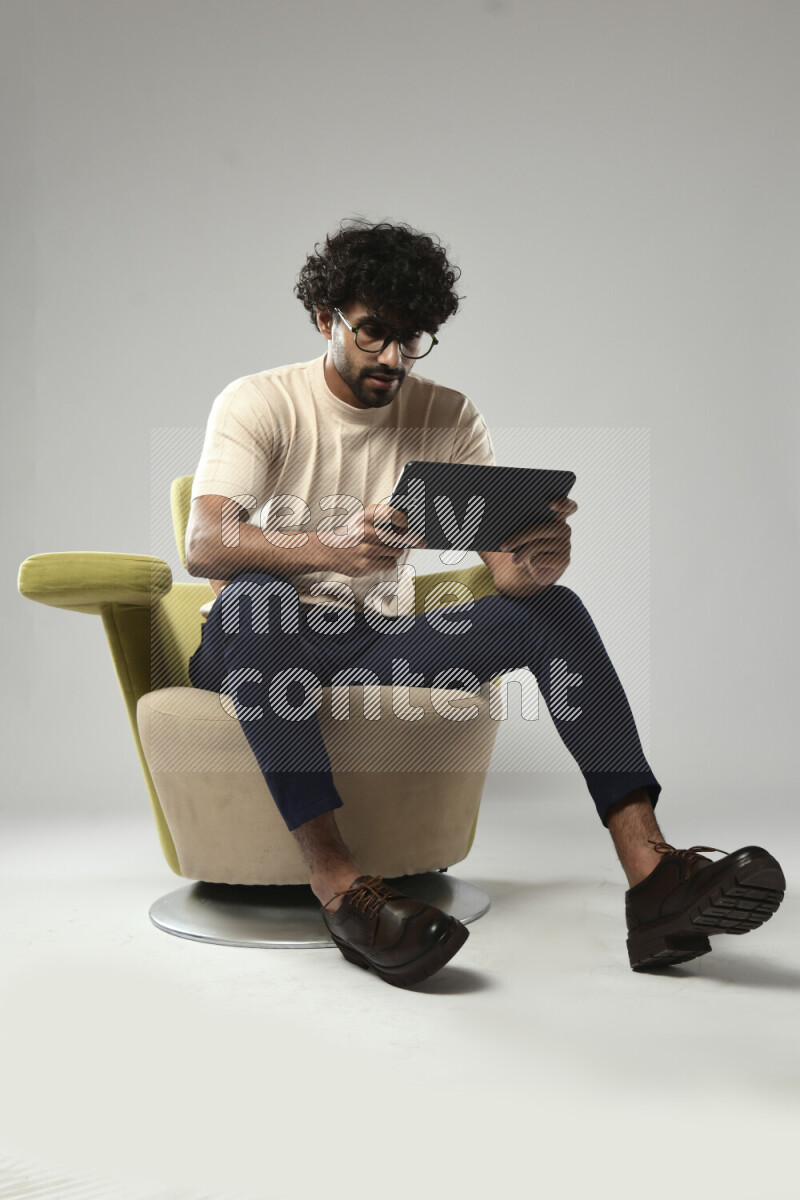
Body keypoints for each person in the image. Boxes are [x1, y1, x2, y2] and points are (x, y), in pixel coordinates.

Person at [185, 218, 785, 988]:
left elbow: (505, 576)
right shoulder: (260, 403)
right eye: (373, 333)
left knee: (555, 612)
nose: (393, 358)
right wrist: (330, 548)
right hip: (257, 643)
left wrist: (537, 564)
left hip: (372, 641)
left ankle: (653, 879)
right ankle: (340, 886)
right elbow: (206, 543)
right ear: (326, 318)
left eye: (411, 338)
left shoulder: (449, 416)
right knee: (256, 599)